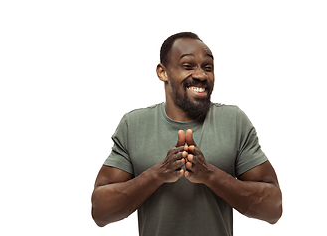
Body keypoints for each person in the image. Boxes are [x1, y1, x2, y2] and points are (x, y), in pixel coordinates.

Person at [91, 32, 282, 236]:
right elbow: (100, 211)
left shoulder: (233, 121)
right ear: (162, 72)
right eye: (188, 66)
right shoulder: (134, 125)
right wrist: (157, 174)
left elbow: (273, 209)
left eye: (208, 67)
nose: (201, 75)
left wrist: (210, 175)